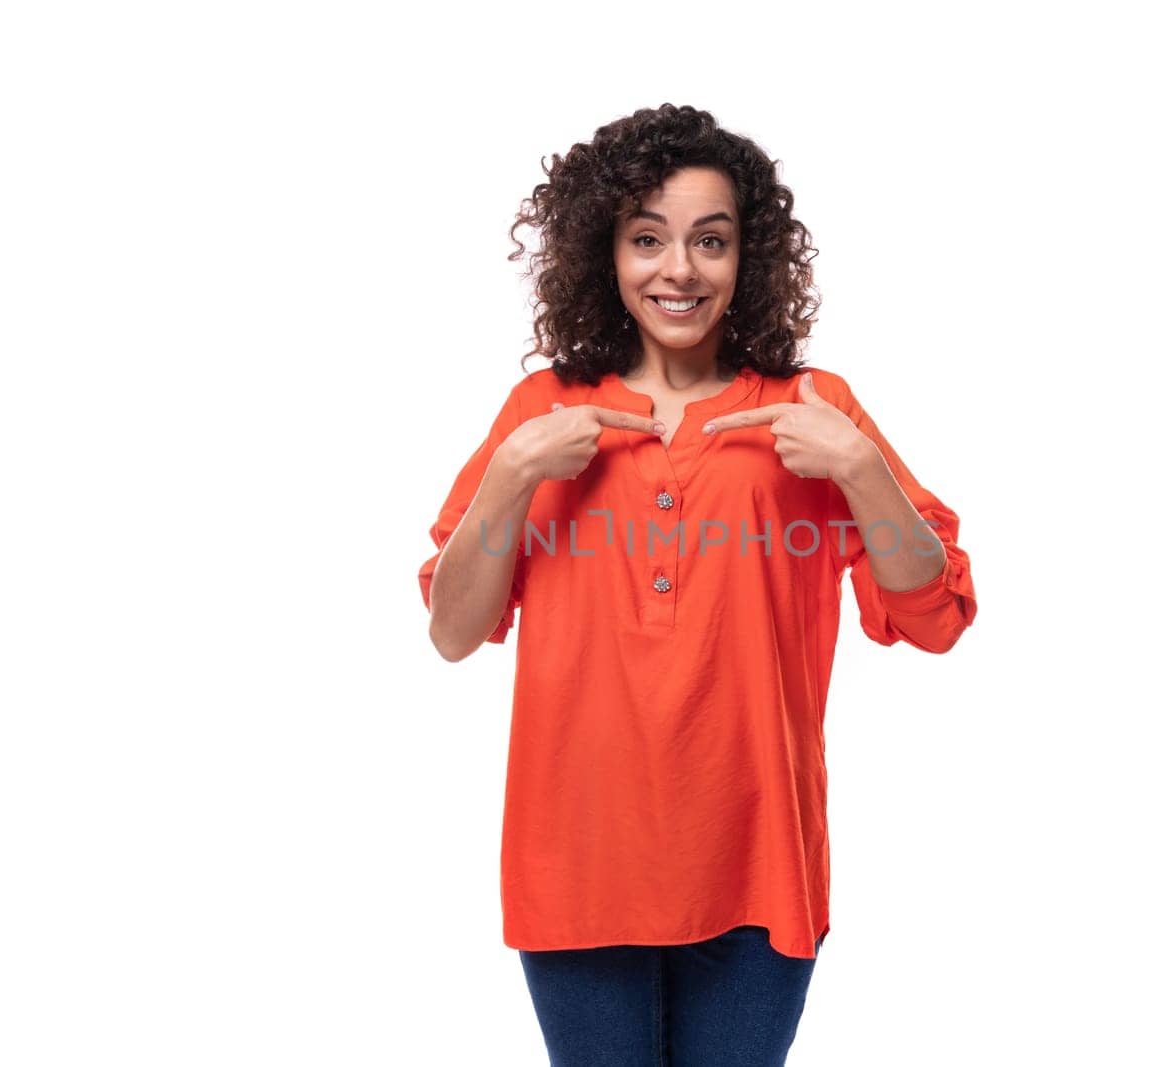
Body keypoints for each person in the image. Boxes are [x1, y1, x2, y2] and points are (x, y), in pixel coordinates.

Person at [418, 103, 977, 1066]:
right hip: (579, 854)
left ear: (745, 258)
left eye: (709, 241)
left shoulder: (812, 408)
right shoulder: (542, 412)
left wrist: (859, 468)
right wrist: (513, 472)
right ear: (607, 254)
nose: (679, 269)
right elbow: (453, 630)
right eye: (648, 239)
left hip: (758, 856)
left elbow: (934, 614)